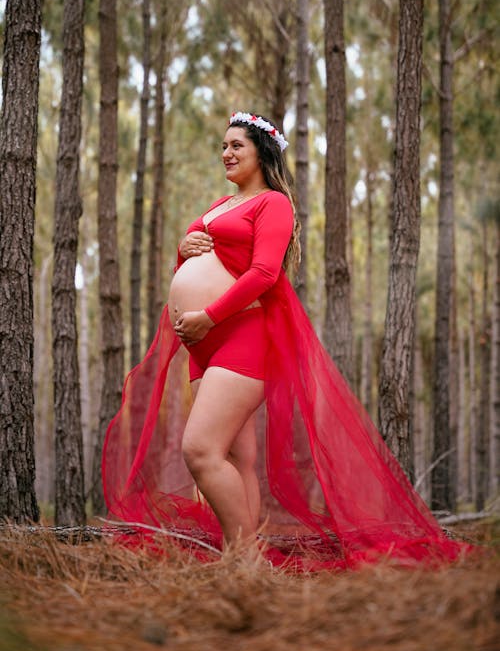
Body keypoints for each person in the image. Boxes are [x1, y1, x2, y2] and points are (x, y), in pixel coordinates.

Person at [102, 111, 474, 570]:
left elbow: (263, 273)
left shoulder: (273, 203)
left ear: (262, 151)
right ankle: (237, 554)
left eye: (237, 145)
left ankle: (246, 559)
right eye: (223, 146)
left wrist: (208, 316)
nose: (227, 153)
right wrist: (185, 248)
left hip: (241, 335)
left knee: (199, 450)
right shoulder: (221, 203)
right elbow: (204, 262)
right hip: (202, 345)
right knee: (236, 456)